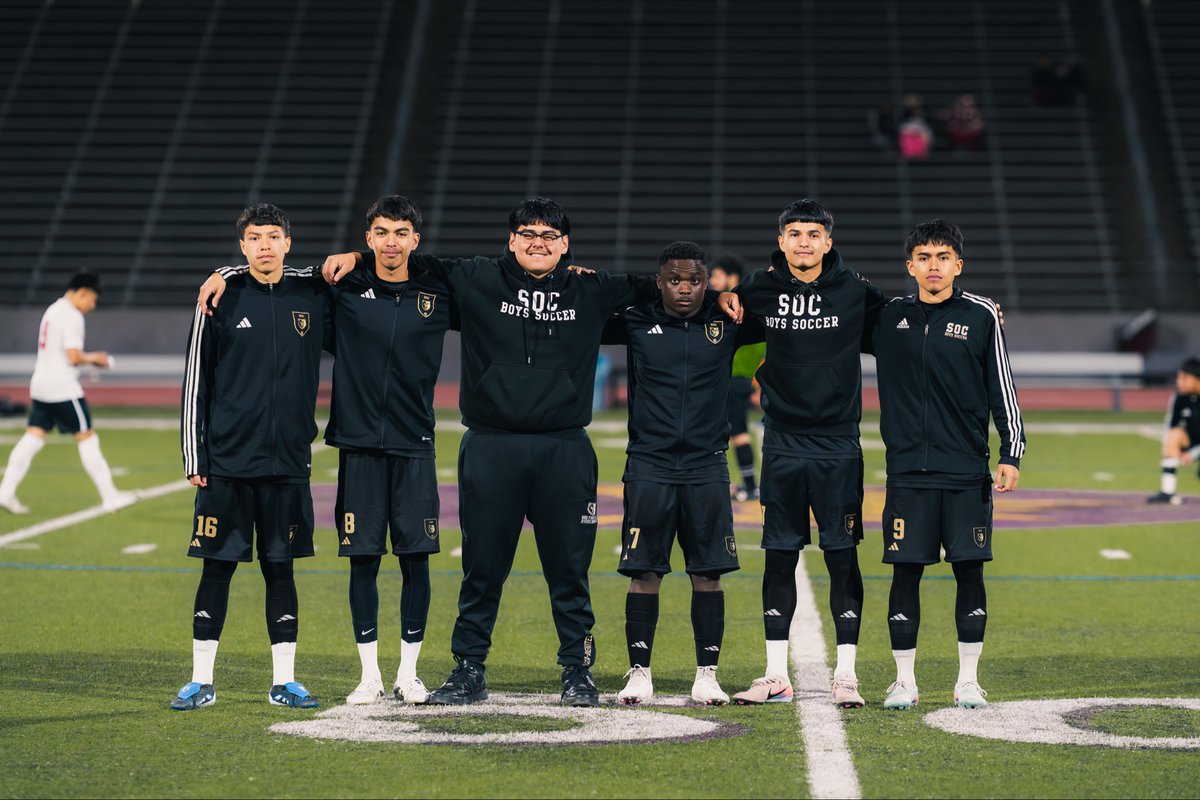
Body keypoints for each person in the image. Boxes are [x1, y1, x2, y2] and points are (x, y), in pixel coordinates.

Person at [322, 197, 658, 706]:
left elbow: (672, 285)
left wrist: (729, 296)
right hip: (491, 447)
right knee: (482, 568)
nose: (537, 243)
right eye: (527, 234)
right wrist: (352, 255)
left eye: (549, 237)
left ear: (565, 246)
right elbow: (398, 257)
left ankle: (577, 670)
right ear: (511, 239)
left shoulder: (591, 287)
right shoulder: (475, 276)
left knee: (569, 570)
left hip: (563, 449)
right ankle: (468, 669)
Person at [198, 195, 454, 706]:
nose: (391, 242)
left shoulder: (439, 289)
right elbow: (272, 273)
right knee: (362, 560)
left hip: (415, 444)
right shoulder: (339, 287)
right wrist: (224, 271)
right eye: (381, 232)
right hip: (355, 443)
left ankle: (409, 673)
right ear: (368, 238)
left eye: (402, 232)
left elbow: (496, 277)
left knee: (416, 562)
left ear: (415, 240)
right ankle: (368, 676)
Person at [722, 199, 888, 709]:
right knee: (778, 555)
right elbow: (706, 319)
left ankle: (847, 674)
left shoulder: (855, 291)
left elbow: (910, 326)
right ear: (781, 240)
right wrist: (724, 299)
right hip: (784, 441)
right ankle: (775, 674)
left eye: (813, 234)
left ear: (828, 242)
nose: (803, 242)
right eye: (794, 233)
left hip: (839, 443)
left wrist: (974, 308)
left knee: (842, 556)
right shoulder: (757, 288)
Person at [171, 203, 333, 711]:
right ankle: (201, 681)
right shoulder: (220, 298)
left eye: (274, 236)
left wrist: (222, 269)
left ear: (289, 241)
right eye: (255, 237)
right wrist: (194, 453)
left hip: (288, 462)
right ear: (242, 246)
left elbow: (354, 266)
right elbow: (196, 380)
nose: (265, 244)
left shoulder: (312, 291)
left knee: (280, 569)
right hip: (226, 462)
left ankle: (284, 682)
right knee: (216, 568)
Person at [864, 219, 1024, 710]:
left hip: (965, 471)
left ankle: (968, 681)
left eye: (943, 257)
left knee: (968, 572)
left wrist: (1010, 451)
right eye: (924, 257)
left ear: (959, 264)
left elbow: (1002, 385)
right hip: (908, 471)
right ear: (909, 265)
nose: (934, 266)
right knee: (905, 572)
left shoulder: (980, 317)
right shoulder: (887, 316)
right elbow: (834, 308)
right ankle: (904, 682)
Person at [602, 242, 764, 706]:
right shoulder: (634, 322)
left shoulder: (726, 322)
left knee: (708, 574)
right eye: (675, 279)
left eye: (695, 280)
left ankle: (707, 673)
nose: (685, 289)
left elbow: (781, 307)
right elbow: (583, 306)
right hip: (649, 464)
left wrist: (726, 299)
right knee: (644, 572)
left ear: (707, 281)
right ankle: (639, 671)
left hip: (706, 466)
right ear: (660, 282)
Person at [0, 272, 136, 515]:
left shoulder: (53, 310)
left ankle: (5, 492)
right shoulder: (71, 315)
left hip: (41, 384)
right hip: (62, 388)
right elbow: (73, 357)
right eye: (92, 300)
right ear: (82, 292)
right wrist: (98, 359)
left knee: (33, 437)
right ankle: (110, 497)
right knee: (87, 437)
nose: (92, 306)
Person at [709, 253, 765, 501]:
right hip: (741, 379)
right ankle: (749, 484)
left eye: (716, 276)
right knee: (735, 431)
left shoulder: (734, 305)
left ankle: (750, 485)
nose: (711, 281)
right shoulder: (751, 303)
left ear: (731, 277)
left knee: (737, 432)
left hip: (734, 378)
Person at [1147, 357, 1200, 506]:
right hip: (1194, 442)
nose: (1179, 382)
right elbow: (1172, 425)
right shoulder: (1179, 398)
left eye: (1184, 378)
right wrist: (1178, 452)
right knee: (1174, 435)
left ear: (1197, 379)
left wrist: (1193, 453)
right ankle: (1168, 492)